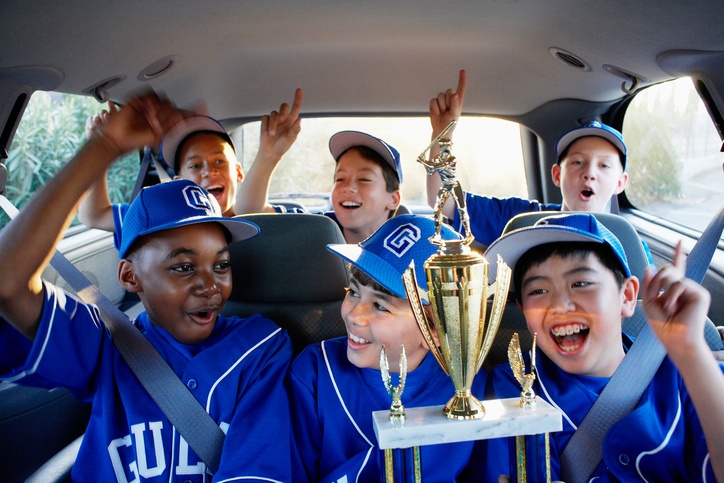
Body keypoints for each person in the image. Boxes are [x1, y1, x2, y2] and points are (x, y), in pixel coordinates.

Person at [0, 93, 294, 482]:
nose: (209, 285)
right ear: (128, 277)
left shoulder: (261, 347)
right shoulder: (107, 343)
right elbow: (8, 283)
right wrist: (102, 148)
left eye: (221, 264)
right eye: (184, 267)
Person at [481, 212, 723, 481]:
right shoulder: (516, 383)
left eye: (581, 283)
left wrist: (691, 351)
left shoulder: (688, 375)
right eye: (538, 291)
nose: (560, 306)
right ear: (525, 312)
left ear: (628, 296)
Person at [285, 214, 487, 482]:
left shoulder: (471, 390)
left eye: (380, 306)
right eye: (353, 291)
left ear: (436, 331)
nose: (354, 315)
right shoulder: (315, 372)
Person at [78, 89, 304, 251]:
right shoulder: (163, 218)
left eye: (219, 162)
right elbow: (94, 215)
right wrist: (98, 148)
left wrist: (267, 156)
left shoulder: (259, 213)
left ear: (238, 172)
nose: (208, 171)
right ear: (178, 181)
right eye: (195, 165)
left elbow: (250, 209)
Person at [427, 69, 630, 249]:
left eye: (604, 165)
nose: (589, 173)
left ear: (620, 183)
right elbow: (442, 199)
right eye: (578, 162)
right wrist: (443, 135)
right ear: (557, 175)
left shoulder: (628, 243)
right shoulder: (522, 219)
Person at [234, 90, 404, 244]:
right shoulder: (318, 230)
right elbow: (249, 213)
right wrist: (268, 156)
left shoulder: (411, 249)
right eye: (340, 179)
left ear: (393, 199)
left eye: (364, 179)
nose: (348, 187)